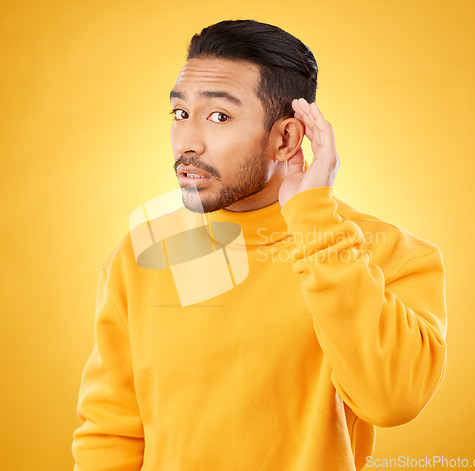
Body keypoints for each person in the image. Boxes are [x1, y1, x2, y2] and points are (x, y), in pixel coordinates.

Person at [72, 19, 448, 471]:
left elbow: (393, 400)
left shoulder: (387, 253)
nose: (187, 142)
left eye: (219, 116)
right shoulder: (142, 252)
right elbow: (110, 431)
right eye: (179, 113)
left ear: (286, 137)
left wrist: (312, 218)